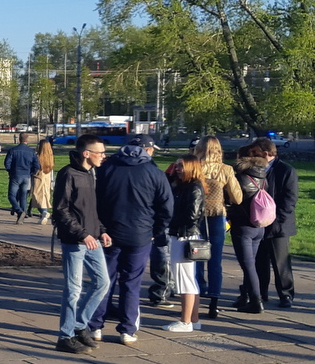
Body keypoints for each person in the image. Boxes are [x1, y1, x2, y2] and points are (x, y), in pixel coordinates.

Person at [89, 134, 173, 346]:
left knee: (103, 281)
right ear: (147, 150)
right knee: (131, 283)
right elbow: (167, 207)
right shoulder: (154, 172)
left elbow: (94, 201)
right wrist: (156, 229)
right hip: (140, 234)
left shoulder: (106, 169)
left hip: (109, 233)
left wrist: (101, 227)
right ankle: (127, 330)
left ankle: (95, 326)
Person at [51, 134, 111, 354]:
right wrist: (82, 233)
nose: (103, 156)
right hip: (75, 241)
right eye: (100, 152)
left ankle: (79, 325)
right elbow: (61, 210)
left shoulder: (90, 174)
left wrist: (101, 231)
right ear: (87, 154)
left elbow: (91, 210)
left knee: (102, 283)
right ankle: (65, 336)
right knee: (73, 290)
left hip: (92, 239)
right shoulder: (68, 174)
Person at [193, 136, 241, 318]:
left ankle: (196, 292)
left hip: (196, 216)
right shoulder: (226, 169)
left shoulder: (194, 167)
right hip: (217, 215)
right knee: (216, 259)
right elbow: (237, 198)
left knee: (195, 256)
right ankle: (214, 300)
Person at [163, 154, 206, 333]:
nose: (177, 169)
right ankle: (193, 319)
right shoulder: (184, 185)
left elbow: (192, 215)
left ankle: (186, 321)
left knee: (184, 280)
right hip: (184, 235)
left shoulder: (193, 187)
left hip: (184, 236)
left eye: (181, 166)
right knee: (189, 279)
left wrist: (170, 221)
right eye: (177, 165)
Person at [253, 138, 298, 308]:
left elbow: (290, 199)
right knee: (260, 261)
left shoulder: (286, 170)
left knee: (281, 263)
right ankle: (261, 293)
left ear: (265, 153)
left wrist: (276, 220)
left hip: (278, 224)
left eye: (256, 152)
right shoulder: (256, 169)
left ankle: (286, 294)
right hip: (259, 223)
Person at [229, 144, 271, 314]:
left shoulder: (240, 177)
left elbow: (235, 199)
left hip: (243, 226)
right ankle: (244, 297)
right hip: (258, 226)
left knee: (248, 266)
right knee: (250, 264)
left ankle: (256, 301)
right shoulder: (263, 176)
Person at [4, 133, 40, 224]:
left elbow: (7, 163)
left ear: (19, 139)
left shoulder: (13, 150)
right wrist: (31, 173)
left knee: (11, 195)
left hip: (16, 175)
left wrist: (10, 171)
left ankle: (19, 211)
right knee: (23, 196)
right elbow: (37, 165)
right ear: (27, 140)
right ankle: (22, 216)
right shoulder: (31, 152)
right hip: (26, 175)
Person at [29, 138, 55, 225]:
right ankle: (43, 214)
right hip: (47, 177)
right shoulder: (50, 157)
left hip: (38, 177)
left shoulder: (37, 156)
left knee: (37, 196)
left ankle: (44, 212)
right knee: (44, 196)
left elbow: (34, 167)